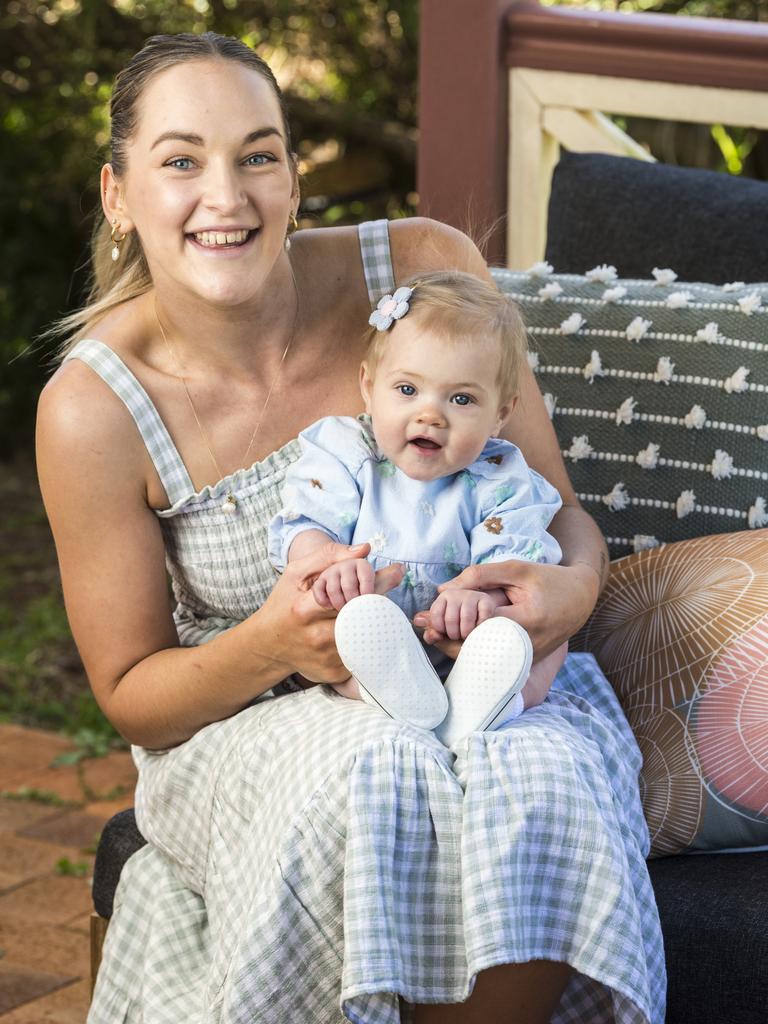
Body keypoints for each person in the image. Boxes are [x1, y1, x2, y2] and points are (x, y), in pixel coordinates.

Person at [36, 31, 665, 1024]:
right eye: (181, 160)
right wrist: (270, 642)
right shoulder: (94, 409)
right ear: (120, 195)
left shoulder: (421, 269)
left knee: (537, 769)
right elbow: (133, 696)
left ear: (293, 175)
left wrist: (568, 592)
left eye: (258, 155)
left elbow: (557, 511)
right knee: (379, 768)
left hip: (484, 671)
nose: (228, 196)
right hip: (243, 719)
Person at [268, 271, 569, 744]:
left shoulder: (500, 476)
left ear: (501, 415)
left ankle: (494, 702)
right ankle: (383, 695)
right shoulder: (348, 453)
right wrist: (327, 566)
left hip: (468, 645)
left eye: (462, 398)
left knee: (546, 639)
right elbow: (307, 520)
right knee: (331, 633)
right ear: (369, 386)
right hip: (373, 637)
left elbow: (516, 558)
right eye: (407, 390)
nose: (431, 414)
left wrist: (485, 602)